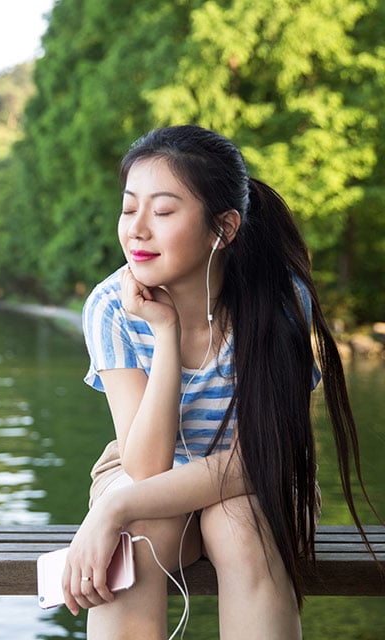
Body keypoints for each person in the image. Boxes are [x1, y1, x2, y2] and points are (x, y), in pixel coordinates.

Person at [61, 125, 381, 639]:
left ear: (224, 228)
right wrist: (165, 333)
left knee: (243, 529)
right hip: (147, 474)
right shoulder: (110, 308)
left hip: (261, 475)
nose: (137, 229)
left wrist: (116, 506)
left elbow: (265, 455)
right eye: (128, 208)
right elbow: (145, 468)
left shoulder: (279, 303)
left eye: (163, 212)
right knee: (139, 534)